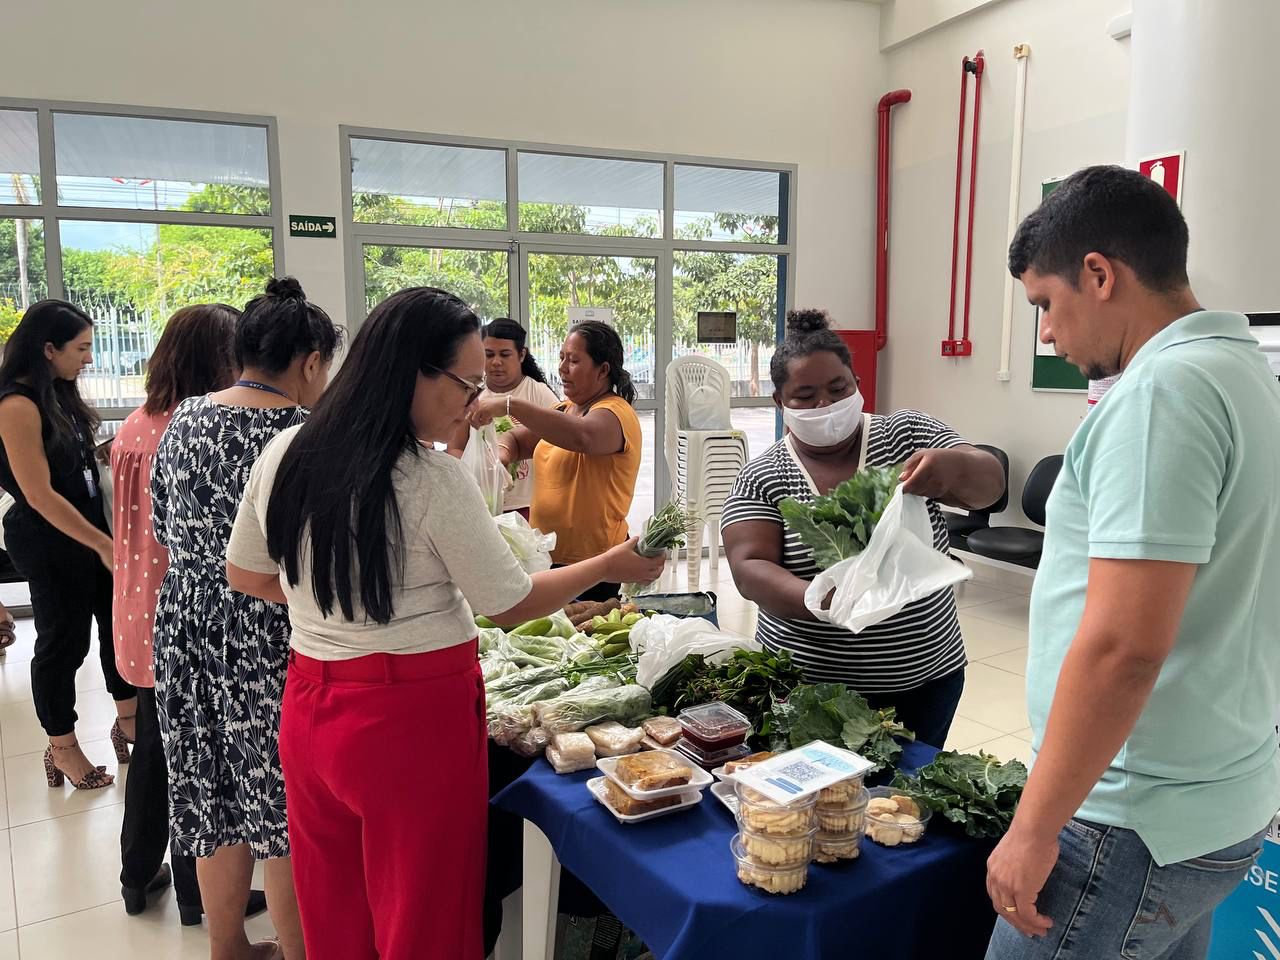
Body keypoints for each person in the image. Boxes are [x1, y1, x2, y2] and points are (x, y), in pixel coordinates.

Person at [224, 286, 664, 960]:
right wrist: (611, 563)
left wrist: (338, 604)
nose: (473, 398)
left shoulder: (286, 451)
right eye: (464, 381)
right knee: (422, 914)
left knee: (335, 904)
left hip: (312, 707)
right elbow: (509, 602)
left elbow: (248, 574)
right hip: (409, 720)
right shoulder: (428, 477)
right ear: (411, 373)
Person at [985, 166, 1280, 960]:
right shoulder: (1245, 370)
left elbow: (1123, 647)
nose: (1046, 333)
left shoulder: (1163, 393)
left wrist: (1033, 828)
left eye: (1045, 304)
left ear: (1099, 274)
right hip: (1217, 796)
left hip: (1128, 818)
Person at [152, 277, 339, 960]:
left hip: (186, 623)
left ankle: (225, 946)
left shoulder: (186, 416)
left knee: (212, 788)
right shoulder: (303, 434)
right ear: (310, 360)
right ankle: (298, 951)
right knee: (283, 804)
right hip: (266, 628)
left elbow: (164, 525)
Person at [721, 308, 1004, 748]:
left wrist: (953, 468)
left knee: (903, 804)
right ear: (780, 402)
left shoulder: (905, 435)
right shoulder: (763, 474)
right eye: (805, 395)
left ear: (857, 383)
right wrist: (819, 599)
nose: (825, 406)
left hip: (923, 678)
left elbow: (989, 487)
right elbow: (748, 566)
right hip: (808, 689)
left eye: (839, 389)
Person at [111, 303, 268, 925]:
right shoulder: (194, 426)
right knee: (193, 757)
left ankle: (137, 872)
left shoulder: (136, 423)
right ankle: (199, 890)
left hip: (135, 601)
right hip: (181, 606)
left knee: (160, 747)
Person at [0, 300, 137, 790]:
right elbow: (37, 493)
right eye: (81, 348)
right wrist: (102, 544)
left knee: (116, 631)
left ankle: (128, 724)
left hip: (89, 527)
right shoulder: (16, 403)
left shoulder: (59, 393)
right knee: (64, 643)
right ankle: (62, 747)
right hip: (49, 538)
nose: (89, 359)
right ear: (47, 348)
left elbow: (71, 466)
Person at [473, 319, 642, 602]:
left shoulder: (616, 413)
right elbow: (516, 441)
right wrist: (501, 457)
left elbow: (583, 438)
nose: (562, 368)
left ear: (603, 370)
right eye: (562, 357)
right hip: (546, 559)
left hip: (596, 564)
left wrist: (509, 404)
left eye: (574, 360)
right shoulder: (563, 410)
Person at [447, 317, 559, 518]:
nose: (496, 362)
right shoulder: (471, 395)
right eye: (488, 354)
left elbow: (560, 440)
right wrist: (474, 474)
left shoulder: (539, 394)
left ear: (521, 354)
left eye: (505, 354)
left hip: (530, 506)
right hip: (483, 506)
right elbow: (455, 447)